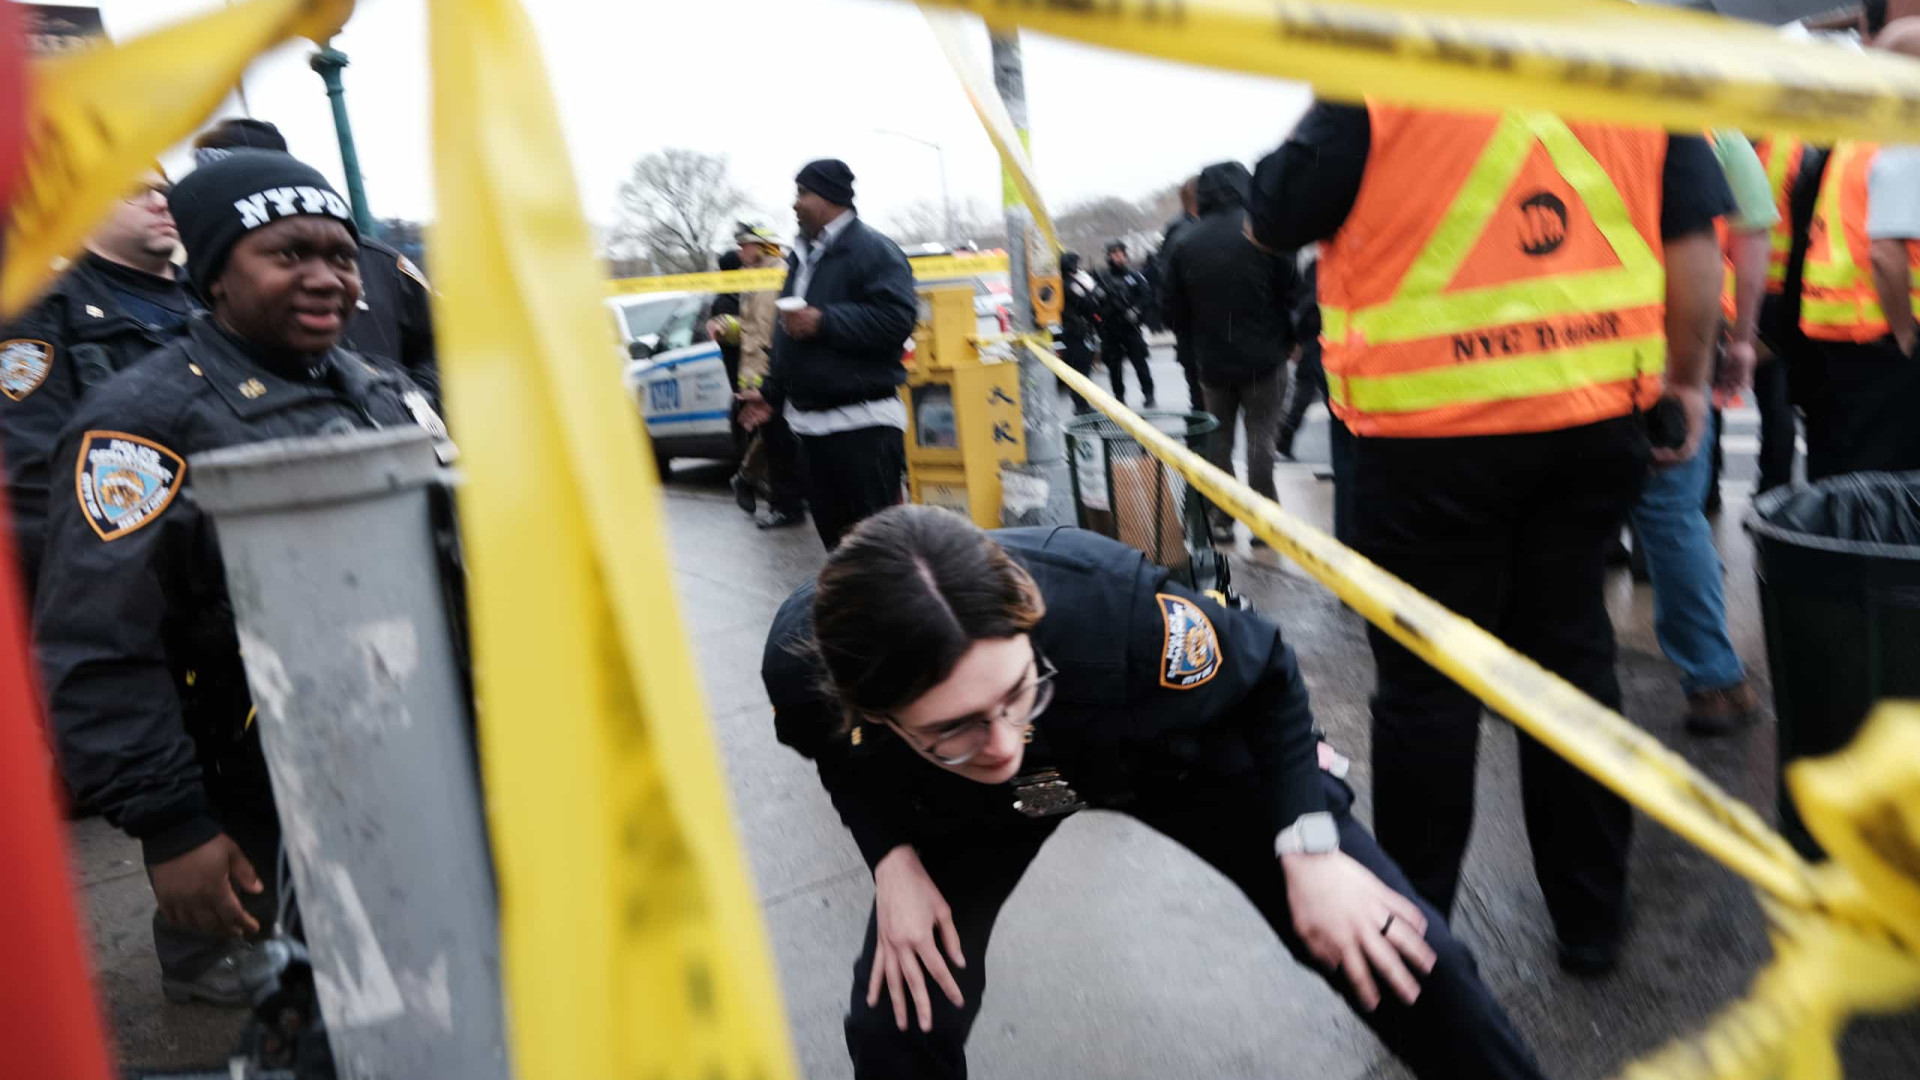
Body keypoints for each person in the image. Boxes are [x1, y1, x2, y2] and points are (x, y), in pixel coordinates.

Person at [763, 506, 1548, 1080]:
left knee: (1407, 953)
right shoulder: (807, 670)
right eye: (955, 727)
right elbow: (844, 759)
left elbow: (1267, 670)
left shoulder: (1117, 610)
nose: (1000, 743)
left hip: (1174, 757)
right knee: (897, 1018)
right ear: (863, 704)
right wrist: (892, 860)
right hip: (1010, 802)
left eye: (1015, 692)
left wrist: (1307, 842)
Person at [1251, 102, 1730, 976]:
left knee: (1427, 694)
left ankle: (1414, 941)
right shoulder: (1627, 54)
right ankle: (1591, 921)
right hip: (1588, 427)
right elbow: (1694, 240)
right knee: (1572, 670)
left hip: (1423, 443)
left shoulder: (1384, 60)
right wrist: (1690, 383)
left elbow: (1274, 214)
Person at [35, 151, 448, 1006]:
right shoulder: (140, 423)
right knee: (342, 1002)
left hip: (412, 751)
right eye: (289, 254)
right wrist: (172, 824)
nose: (327, 277)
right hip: (265, 778)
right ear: (216, 273)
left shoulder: (375, 387)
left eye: (339, 254)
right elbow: (97, 639)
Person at [1625, 130, 1773, 737]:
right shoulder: (1711, 130)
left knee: (1556, 508)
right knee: (1669, 511)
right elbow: (1750, 235)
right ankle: (1714, 681)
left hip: (1565, 339)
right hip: (1669, 344)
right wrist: (1739, 340)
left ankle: (1533, 674)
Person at [1, 170, 192, 600]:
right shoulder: (43, 312)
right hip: (129, 583)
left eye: (165, 191)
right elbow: (33, 478)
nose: (160, 203)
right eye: (134, 191)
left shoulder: (217, 301)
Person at [737, 159, 917, 549]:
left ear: (831, 197)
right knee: (839, 558)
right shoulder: (801, 258)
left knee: (880, 559)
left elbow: (898, 320)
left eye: (803, 193)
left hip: (864, 431)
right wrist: (771, 393)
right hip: (811, 433)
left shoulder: (873, 250)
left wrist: (824, 321)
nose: (795, 204)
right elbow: (788, 335)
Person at [190, 118, 439, 399]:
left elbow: (450, 344)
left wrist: (417, 403)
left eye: (341, 258)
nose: (325, 280)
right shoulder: (191, 281)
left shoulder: (382, 264)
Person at [1786, 19, 1920, 480]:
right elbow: (1886, 252)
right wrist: (1905, 334)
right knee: (1884, 481)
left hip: (1841, 330)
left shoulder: (1859, 134)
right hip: (1882, 335)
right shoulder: (1905, 136)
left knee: (1849, 473)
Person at [1162, 161, 1296, 547]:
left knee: (1218, 443)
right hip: (1265, 359)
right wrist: (1287, 339)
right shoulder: (1263, 232)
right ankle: (1264, 522)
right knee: (1261, 441)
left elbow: (1170, 310)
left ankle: (1222, 520)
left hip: (1213, 363)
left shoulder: (1185, 243)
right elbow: (1291, 292)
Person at [714, 225, 806, 529]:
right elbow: (751, 326)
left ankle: (768, 492)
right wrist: (727, 328)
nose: (740, 252)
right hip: (756, 372)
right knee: (775, 439)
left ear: (761, 246)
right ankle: (784, 505)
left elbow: (778, 325)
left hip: (778, 368)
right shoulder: (751, 278)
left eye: (744, 246)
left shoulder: (780, 273)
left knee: (784, 439)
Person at [1153, 176, 1203, 408]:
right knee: (1204, 403)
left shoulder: (1176, 234)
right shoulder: (1189, 234)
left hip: (1190, 334)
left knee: (1200, 399)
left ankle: (1198, 443)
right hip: (1199, 334)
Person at [1097, 240, 1154, 408]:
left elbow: (1146, 297)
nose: (1118, 256)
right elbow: (1095, 302)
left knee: (1140, 363)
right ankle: (1119, 397)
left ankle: (1148, 394)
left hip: (1131, 327)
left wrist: (1136, 312)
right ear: (1109, 257)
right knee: (1114, 367)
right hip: (1111, 329)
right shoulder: (1103, 278)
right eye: (1114, 254)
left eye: (1121, 253)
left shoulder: (1134, 276)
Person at [1054, 251, 1102, 414]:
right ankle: (1081, 405)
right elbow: (1086, 302)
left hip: (1078, 330)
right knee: (1080, 368)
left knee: (1082, 367)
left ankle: (1082, 403)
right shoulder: (1068, 284)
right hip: (1075, 331)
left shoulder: (1066, 282)